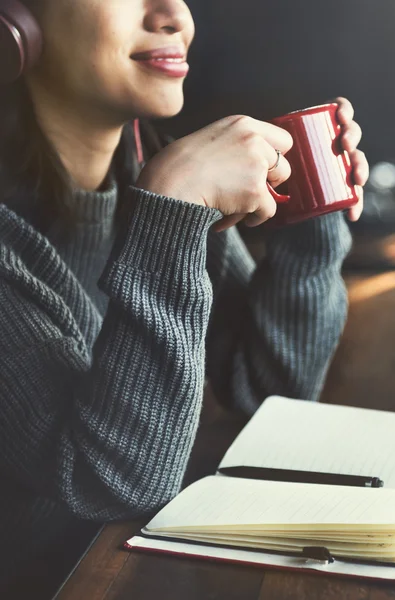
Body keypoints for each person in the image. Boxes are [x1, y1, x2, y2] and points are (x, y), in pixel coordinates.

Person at [0, 0, 369, 593]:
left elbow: (267, 391)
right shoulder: (162, 194)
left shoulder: (145, 173)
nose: (175, 14)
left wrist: (306, 204)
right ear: (16, 20)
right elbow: (113, 483)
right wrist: (170, 212)